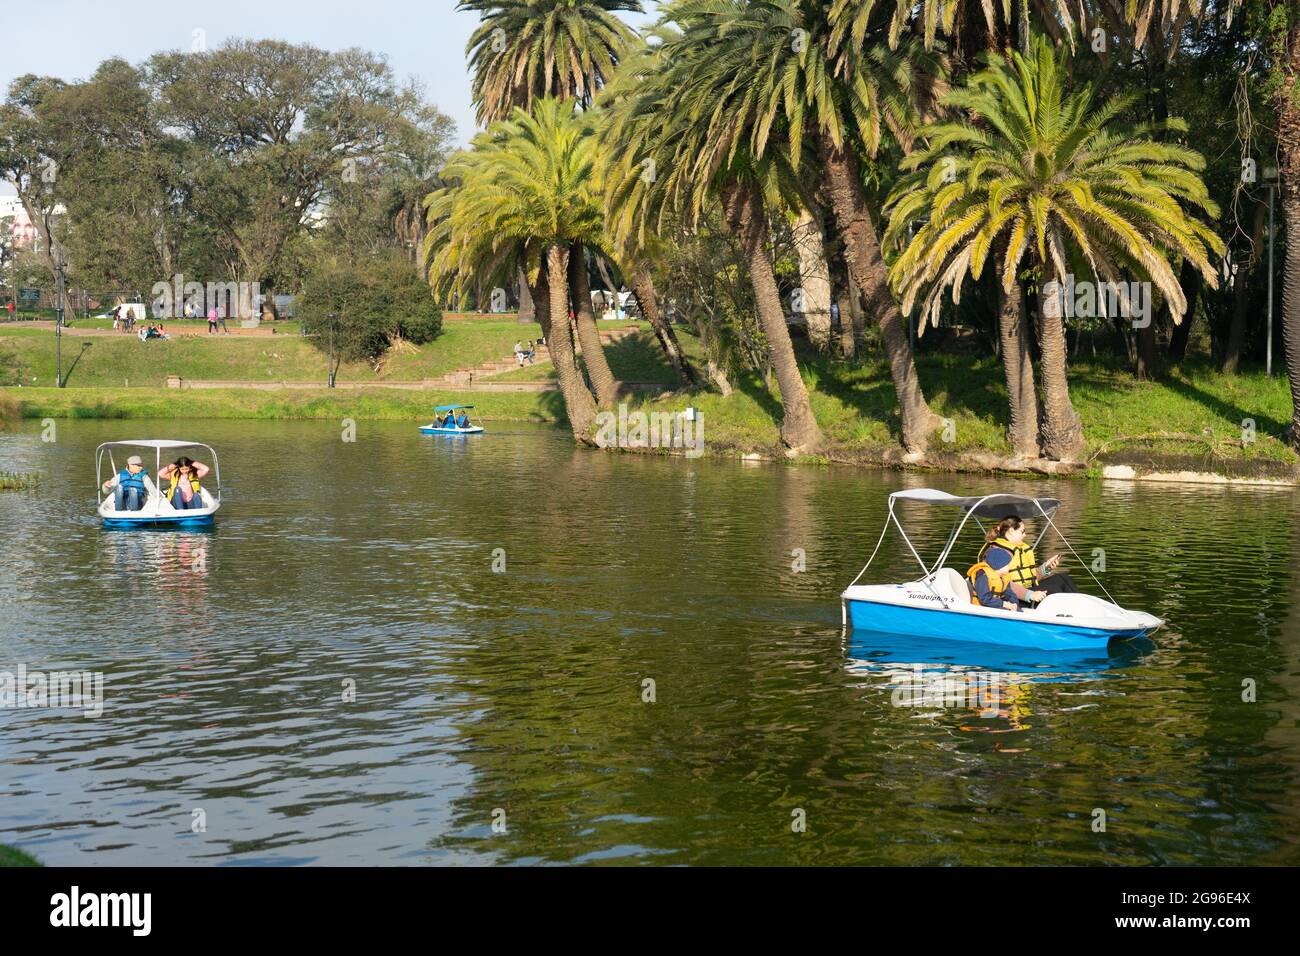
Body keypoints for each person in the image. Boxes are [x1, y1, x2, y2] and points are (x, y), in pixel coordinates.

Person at [970, 515, 1080, 610]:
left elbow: (1029, 577)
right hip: (1014, 597)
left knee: (1062, 578)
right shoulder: (997, 552)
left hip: (1028, 589)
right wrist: (1030, 595)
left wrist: (1045, 568)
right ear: (1012, 531)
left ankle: (1083, 606)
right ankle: (1076, 613)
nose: (1025, 535)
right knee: (1056, 588)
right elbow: (1003, 582)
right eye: (1022, 531)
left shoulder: (1019, 549)